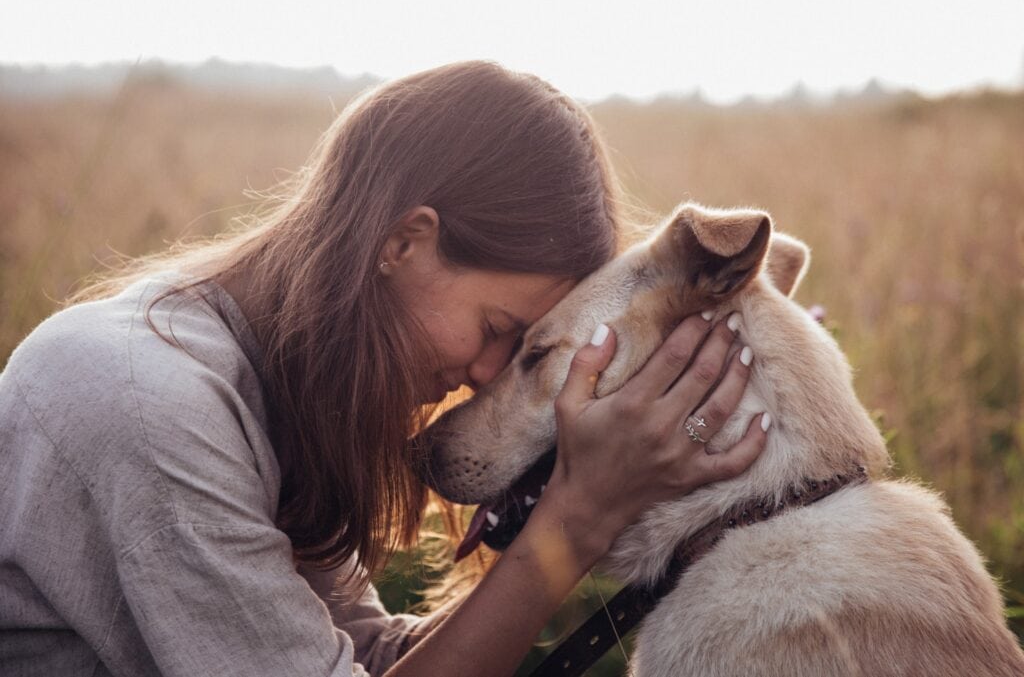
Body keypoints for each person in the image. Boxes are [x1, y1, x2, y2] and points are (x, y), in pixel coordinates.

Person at [0, 61, 767, 677]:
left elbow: (372, 662)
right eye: (498, 329)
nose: (485, 374)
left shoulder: (271, 391)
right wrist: (579, 515)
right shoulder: (150, 408)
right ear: (405, 241)